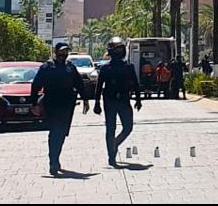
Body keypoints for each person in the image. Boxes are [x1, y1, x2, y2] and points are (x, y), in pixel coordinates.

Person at [30, 42, 90, 176]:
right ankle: (53, 161)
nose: (64, 54)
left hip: (67, 105)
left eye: (66, 52)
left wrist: (85, 99)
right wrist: (33, 102)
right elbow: (36, 85)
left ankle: (56, 158)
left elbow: (79, 83)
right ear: (56, 52)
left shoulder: (70, 67)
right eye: (61, 52)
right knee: (54, 132)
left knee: (62, 133)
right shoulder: (47, 67)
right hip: (52, 104)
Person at [93, 37, 142, 168]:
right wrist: (96, 102)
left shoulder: (128, 67)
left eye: (121, 48)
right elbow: (99, 86)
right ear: (111, 51)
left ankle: (114, 144)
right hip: (109, 101)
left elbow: (135, 84)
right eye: (117, 49)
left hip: (124, 100)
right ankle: (111, 156)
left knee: (128, 127)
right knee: (110, 128)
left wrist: (138, 99)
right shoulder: (105, 68)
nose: (120, 51)